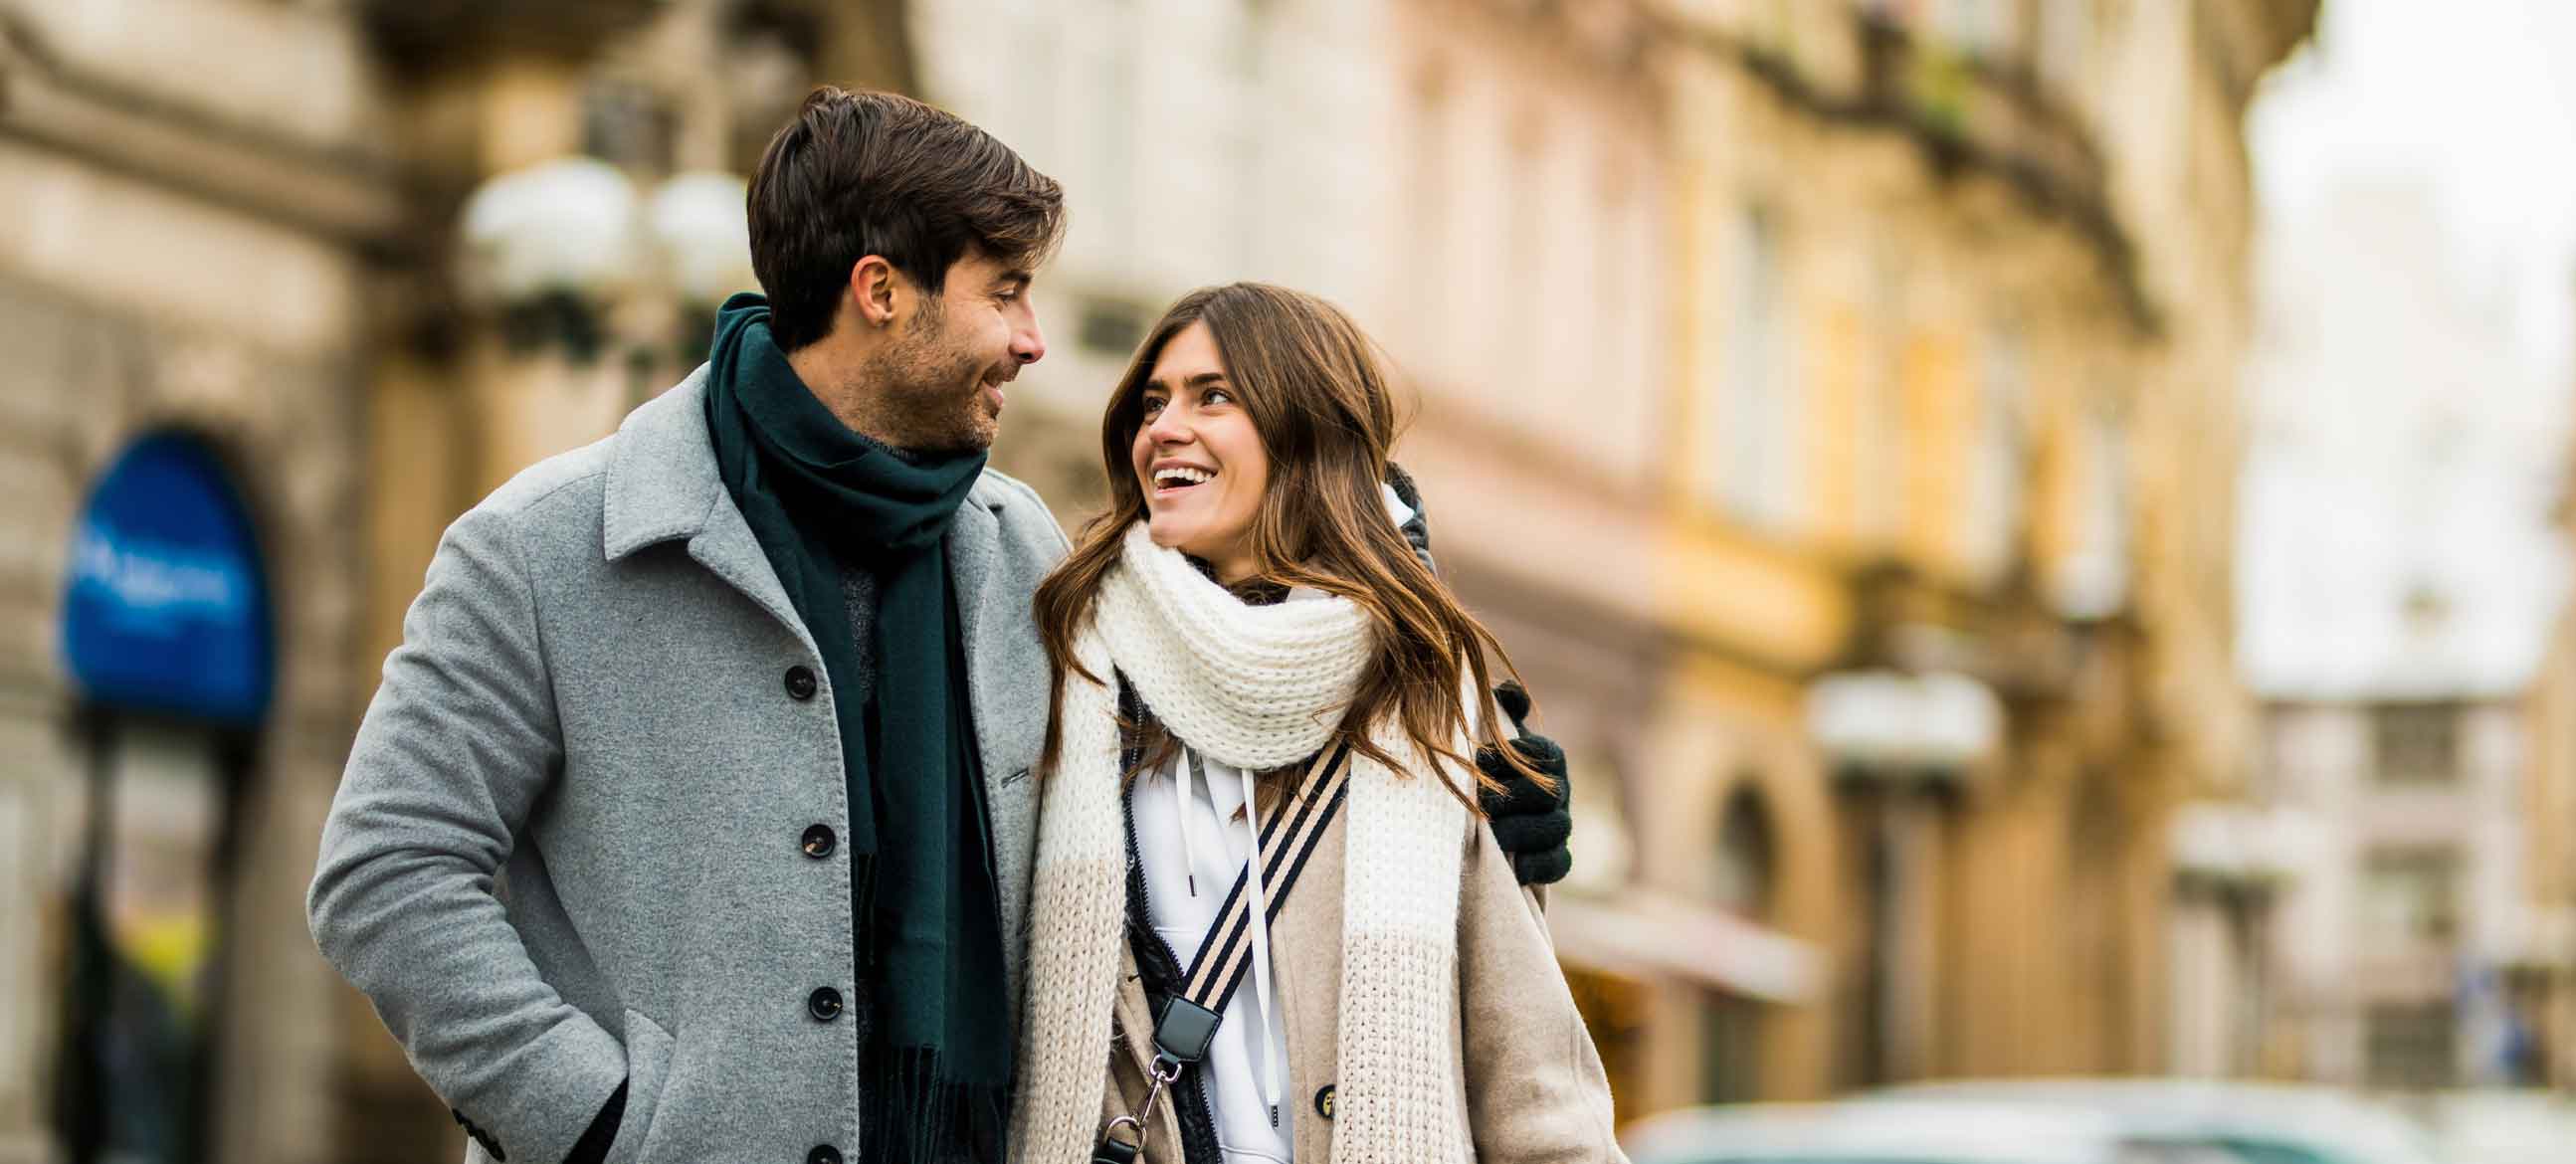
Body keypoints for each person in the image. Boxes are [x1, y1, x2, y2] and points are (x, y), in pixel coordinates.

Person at [306, 88, 1571, 1164]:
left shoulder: (1025, 555)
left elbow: (1236, 697)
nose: (1032, 341)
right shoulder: (544, 546)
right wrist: (595, 1123)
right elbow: (387, 876)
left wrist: (1481, 786)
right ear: (881, 293)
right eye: (1005, 293)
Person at [1010, 283, 1626, 1164]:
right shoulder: (1068, 666)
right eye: (1153, 402)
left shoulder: (1423, 693)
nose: (1164, 429)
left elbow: (1533, 1084)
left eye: (1211, 395)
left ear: (1305, 431)